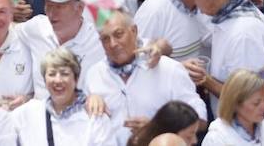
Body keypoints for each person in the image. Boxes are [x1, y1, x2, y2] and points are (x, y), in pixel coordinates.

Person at [84, 9, 205, 139]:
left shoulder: (169, 69)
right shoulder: (94, 75)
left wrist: (156, 128)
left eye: (118, 34)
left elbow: (201, 120)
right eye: (105, 39)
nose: (113, 44)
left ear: (134, 31)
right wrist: (87, 102)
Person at [9, 48, 119, 146]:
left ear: (76, 79)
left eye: (64, 73)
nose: (58, 80)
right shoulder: (27, 113)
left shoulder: (95, 116)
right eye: (52, 74)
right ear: (44, 80)